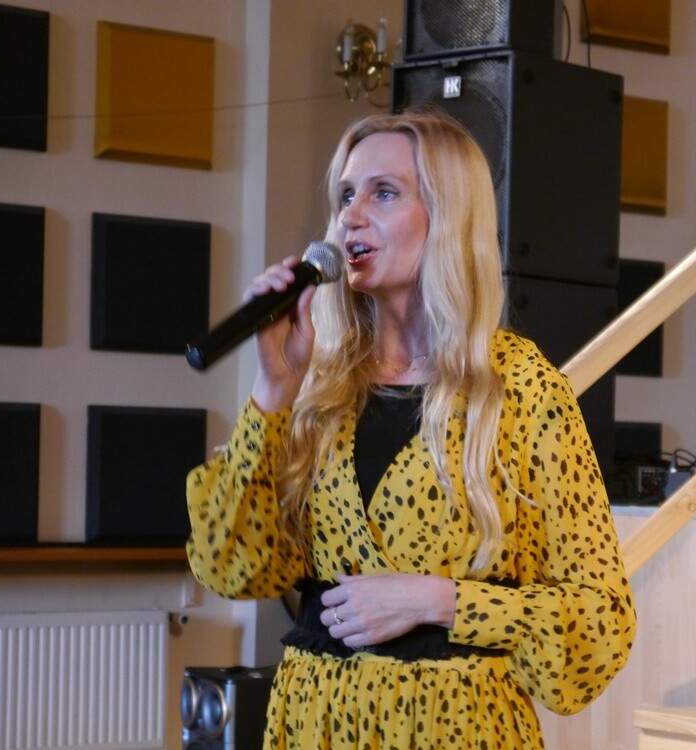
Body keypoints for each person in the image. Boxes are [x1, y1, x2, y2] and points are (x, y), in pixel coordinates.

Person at [186, 110, 636, 749]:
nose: (351, 216)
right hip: (319, 723)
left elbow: (599, 622)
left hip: (459, 729)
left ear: (447, 217)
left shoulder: (522, 389)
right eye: (346, 195)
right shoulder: (315, 387)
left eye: (384, 193)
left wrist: (438, 601)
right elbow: (232, 567)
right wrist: (273, 386)